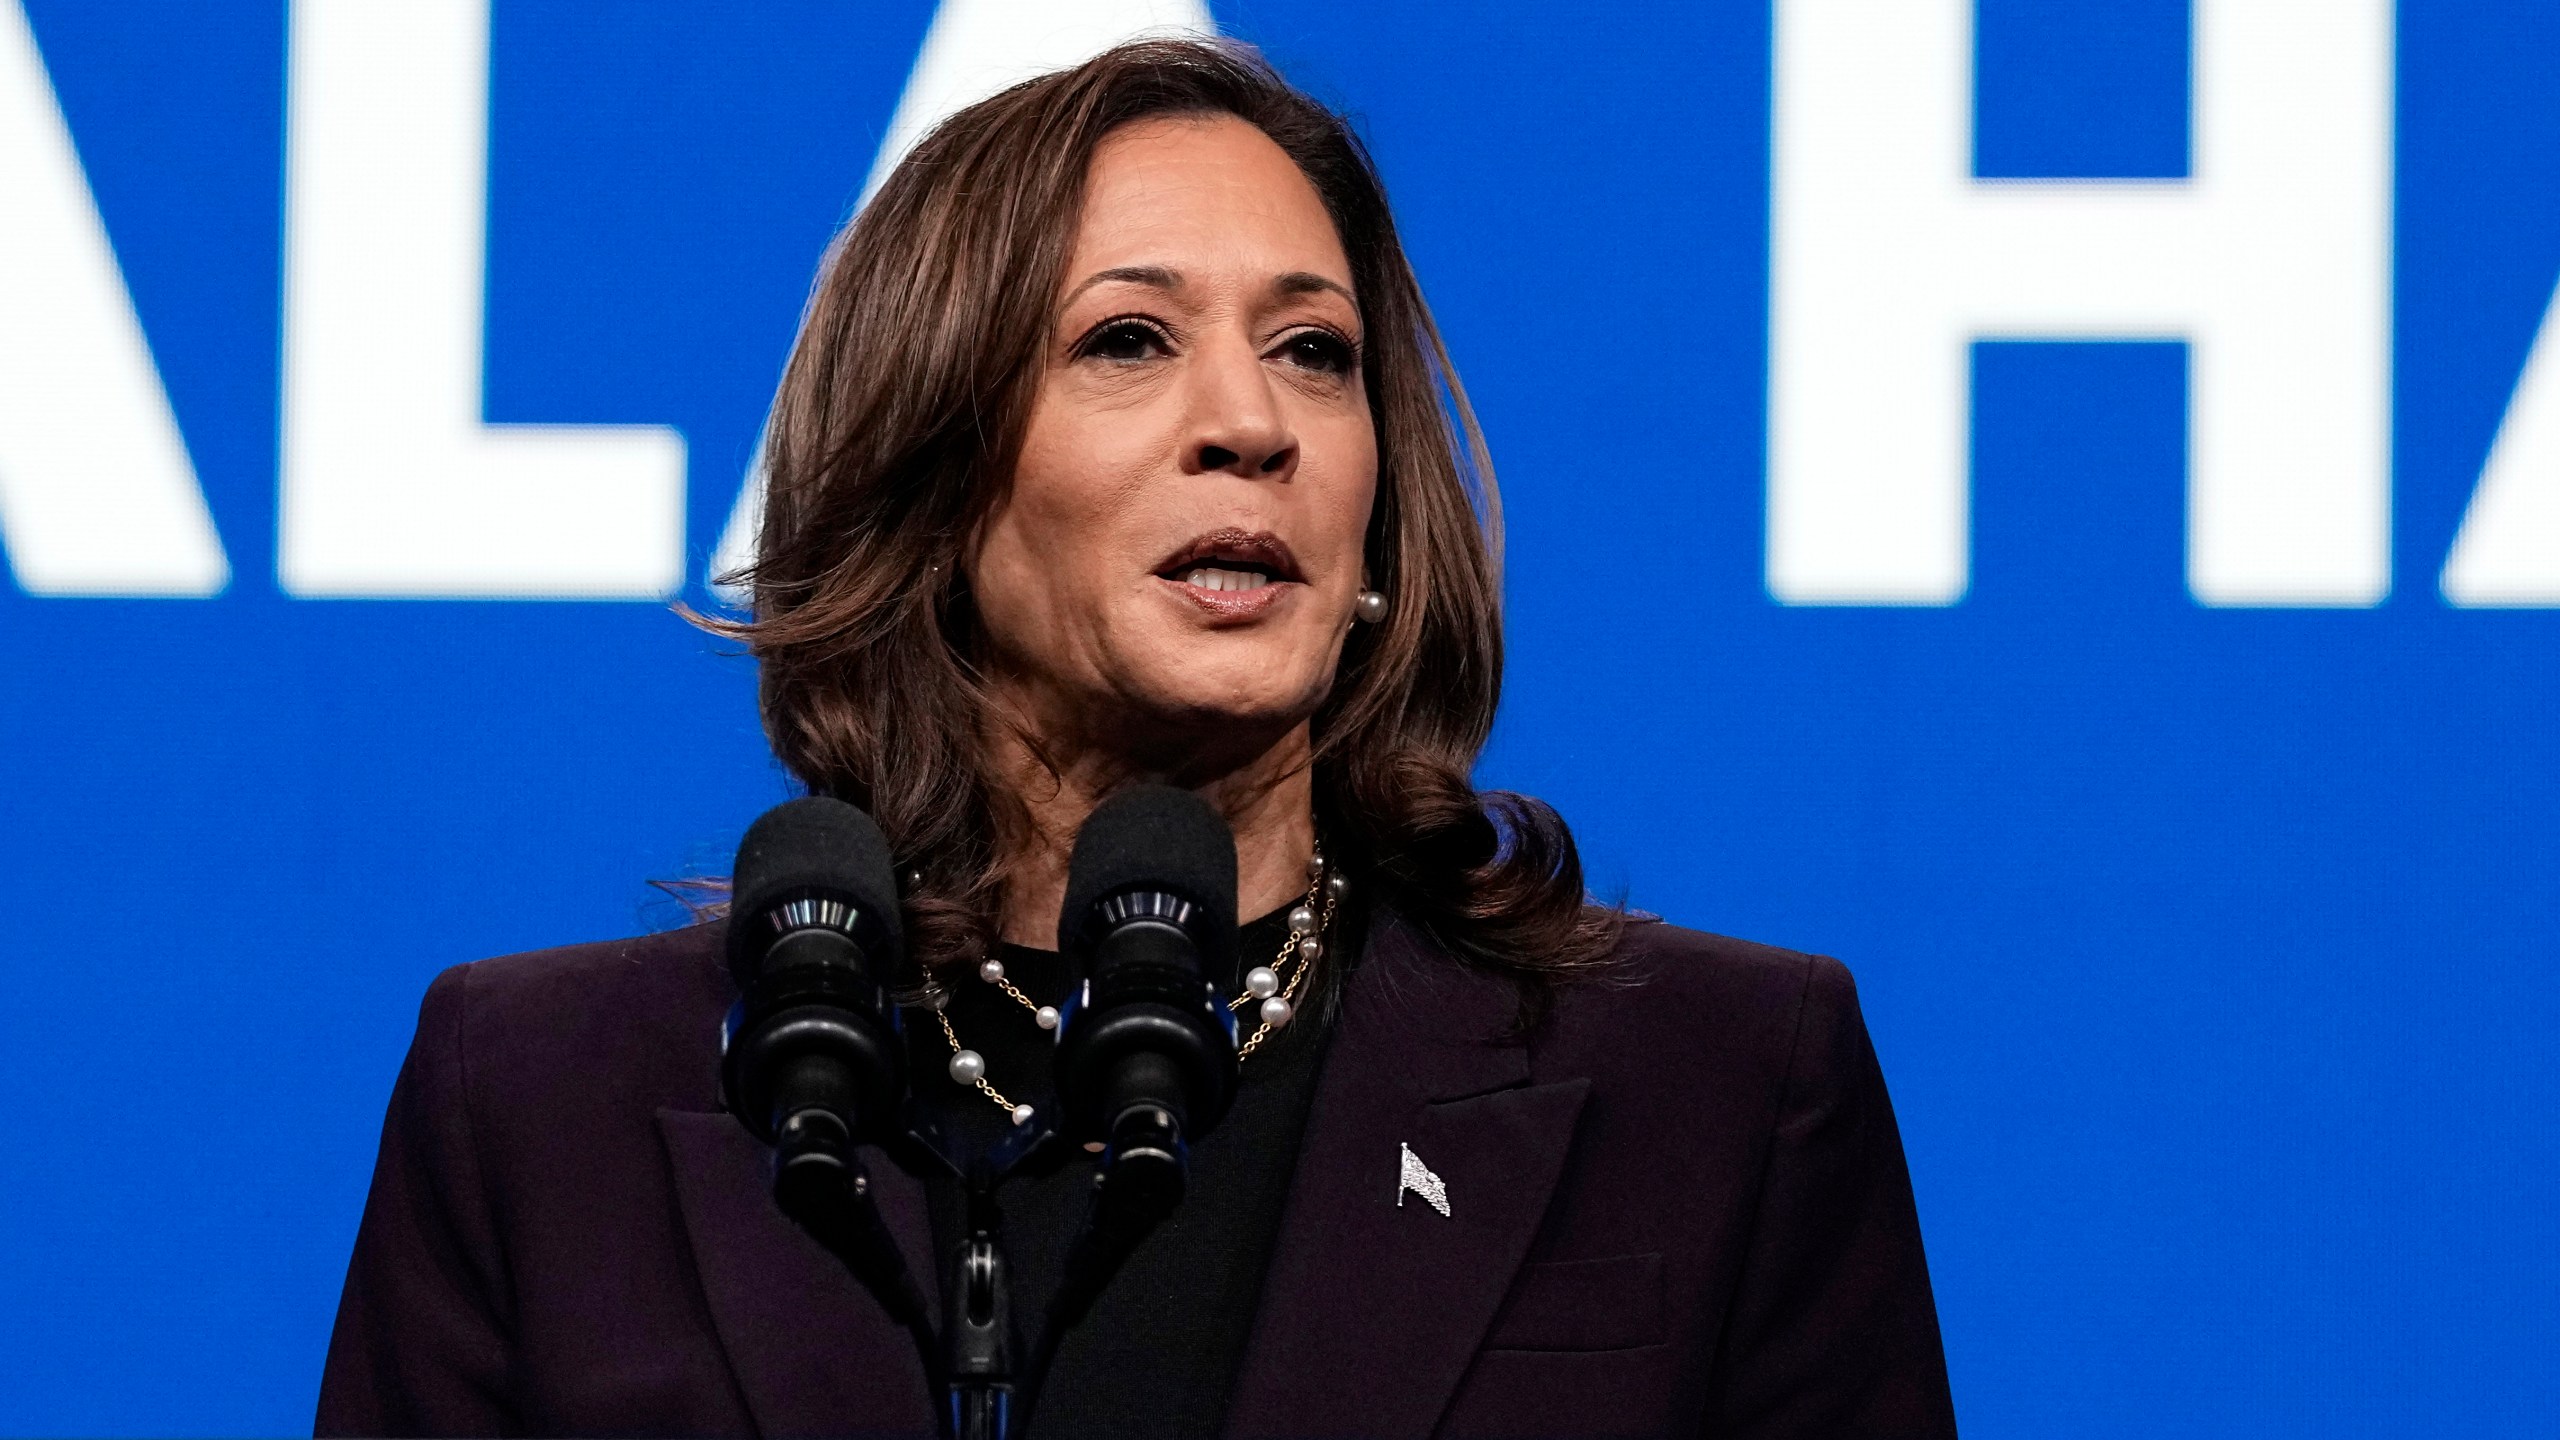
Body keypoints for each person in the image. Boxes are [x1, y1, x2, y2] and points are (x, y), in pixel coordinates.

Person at [316, 38, 1956, 1440]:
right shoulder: (539, 1111)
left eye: (1315, 351)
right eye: (1128, 341)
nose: (1252, 425)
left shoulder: (1722, 1086)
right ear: (931, 469)